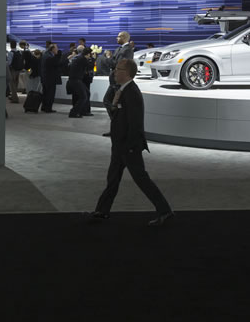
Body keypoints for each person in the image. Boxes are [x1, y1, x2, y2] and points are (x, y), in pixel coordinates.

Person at [84, 58, 173, 226]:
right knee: (112, 179)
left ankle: (165, 211)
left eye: (118, 69)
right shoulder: (123, 90)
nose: (115, 72)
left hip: (128, 146)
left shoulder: (131, 93)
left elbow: (135, 123)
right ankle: (102, 211)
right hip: (119, 145)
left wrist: (131, 147)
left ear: (127, 73)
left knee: (141, 179)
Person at [67, 46, 93, 118]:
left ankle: (82, 111)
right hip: (76, 80)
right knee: (83, 96)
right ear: (88, 54)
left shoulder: (79, 58)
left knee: (86, 93)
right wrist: (93, 58)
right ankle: (73, 112)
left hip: (75, 80)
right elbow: (90, 66)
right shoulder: (82, 59)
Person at [41, 43, 62, 113]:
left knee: (45, 93)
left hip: (45, 77)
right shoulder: (49, 57)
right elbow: (55, 64)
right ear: (52, 49)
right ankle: (48, 108)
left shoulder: (46, 55)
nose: (57, 49)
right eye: (56, 48)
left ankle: (44, 107)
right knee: (50, 94)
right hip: (50, 78)